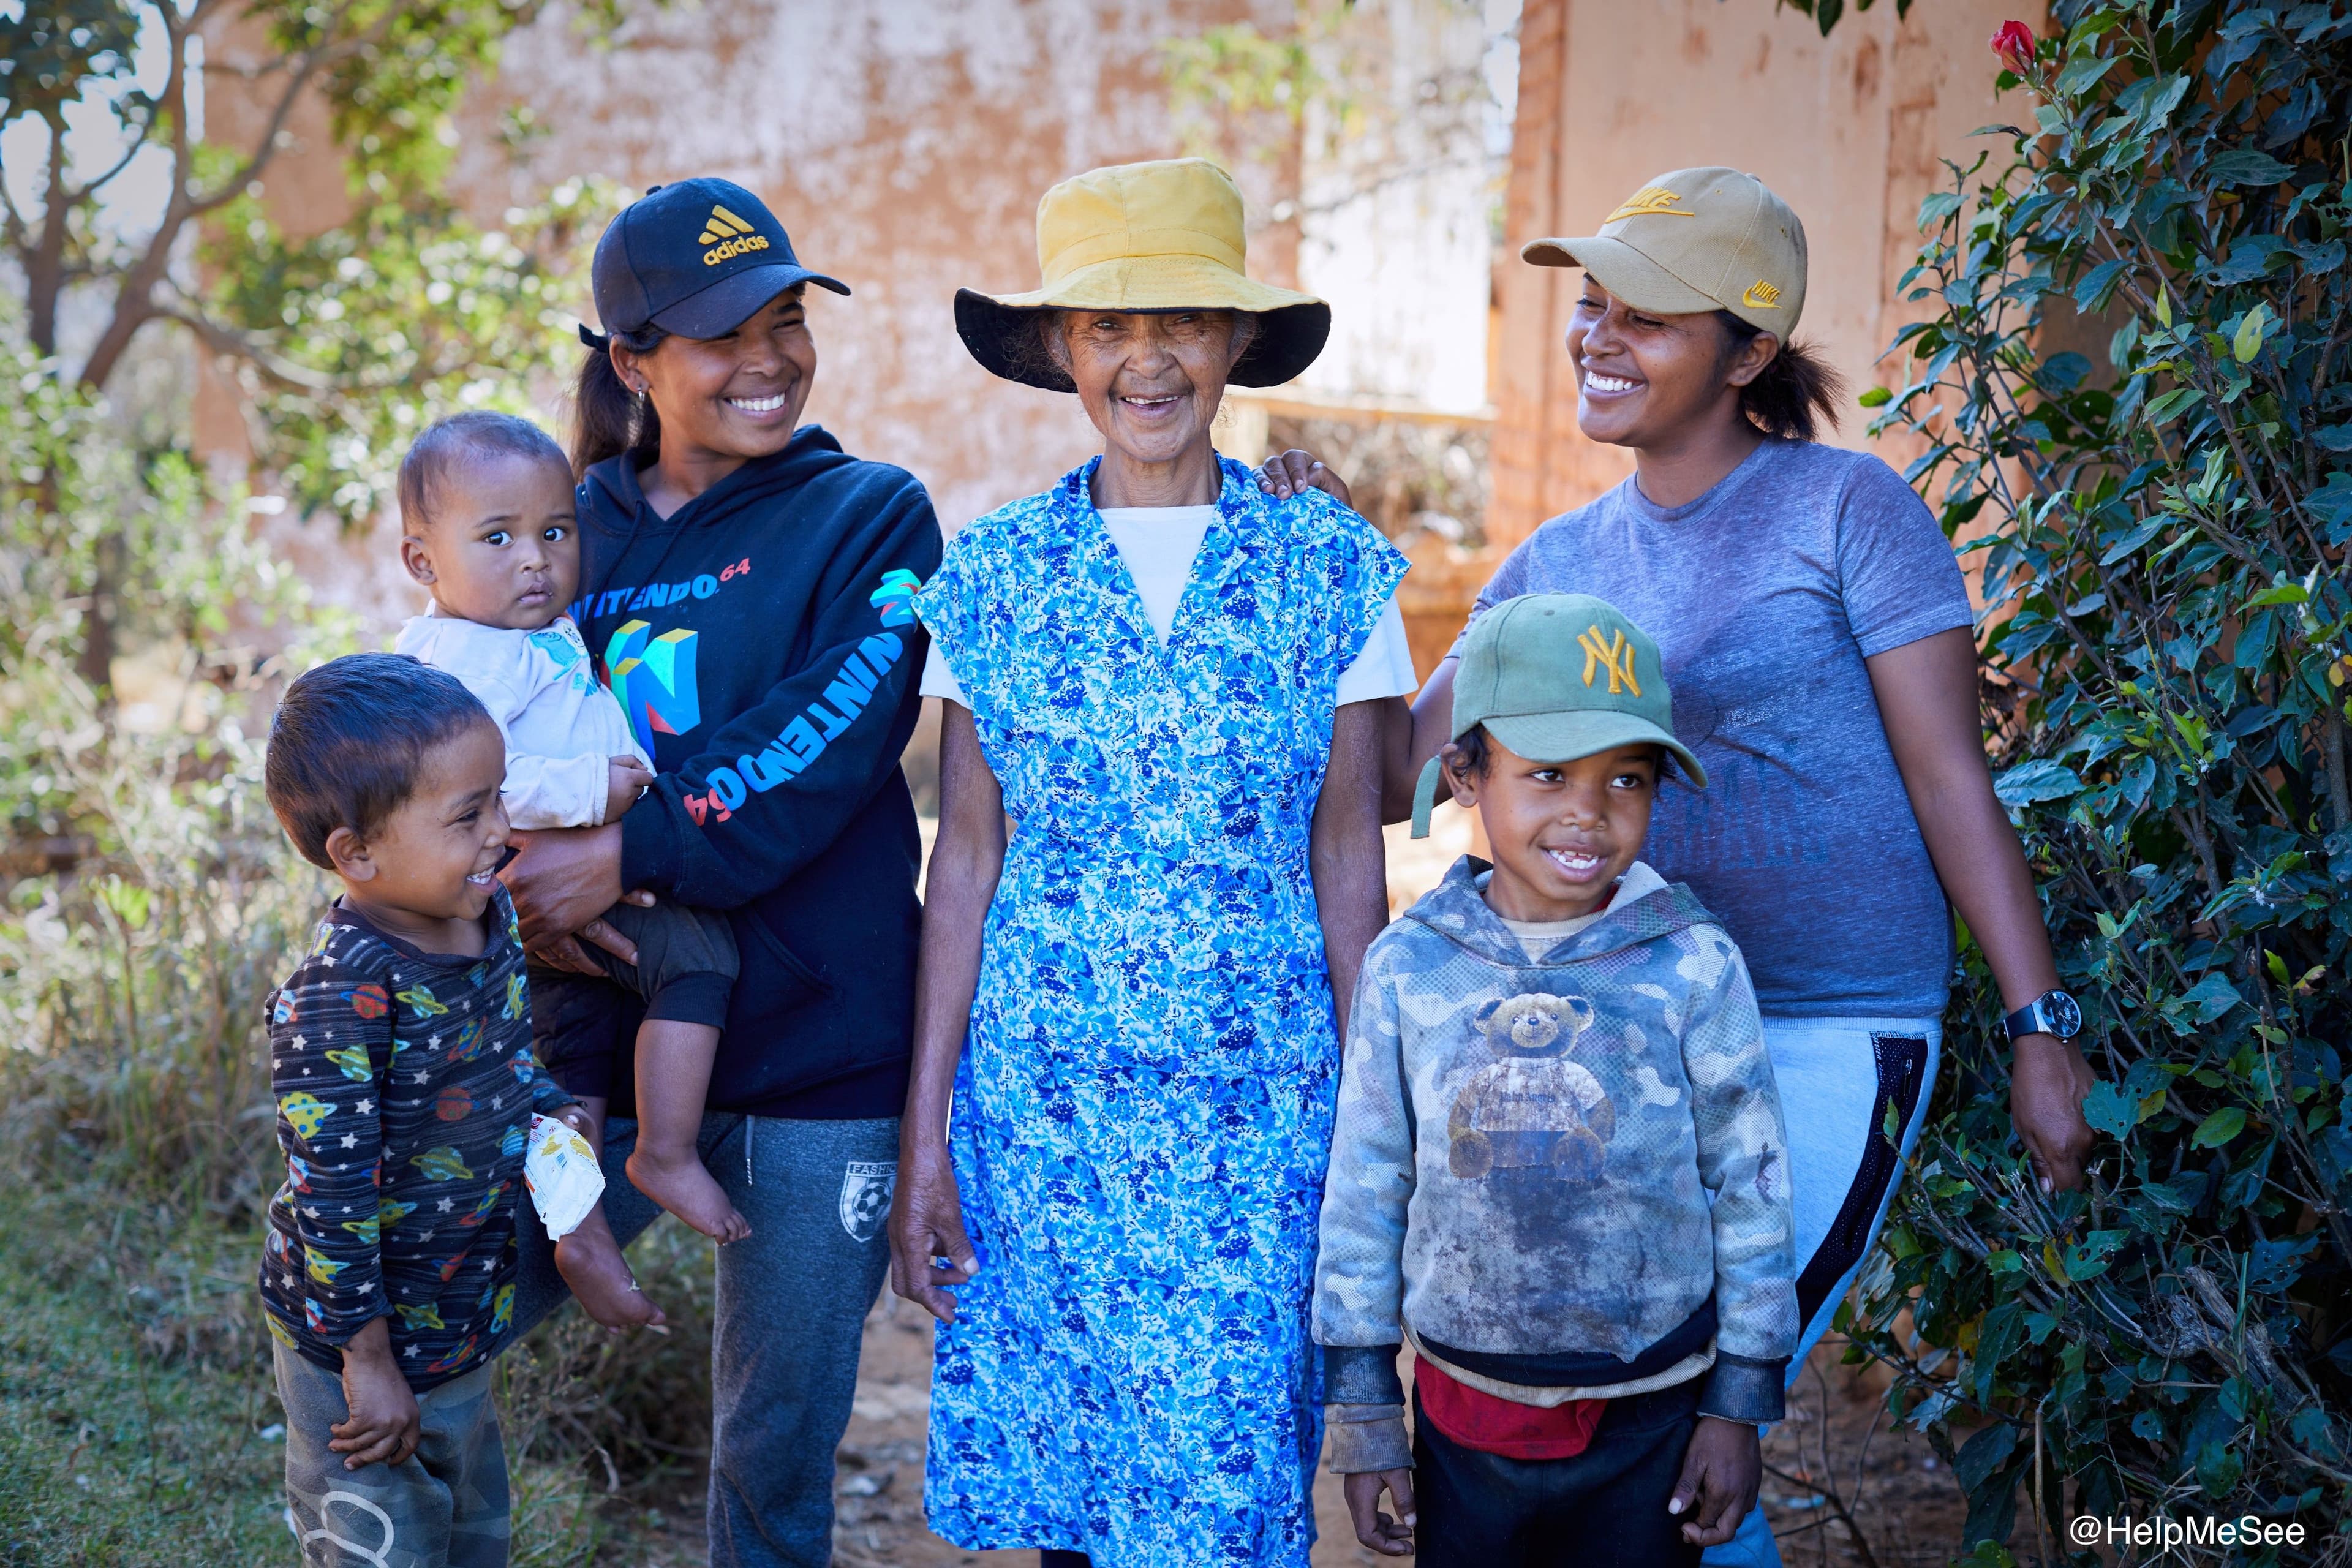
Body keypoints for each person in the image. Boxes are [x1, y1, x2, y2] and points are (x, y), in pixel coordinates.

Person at [1267, 165, 2098, 1568]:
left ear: (1752, 349)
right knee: (1652, 1426)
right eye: (1592, 307)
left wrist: (2036, 1024)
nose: (1598, 336)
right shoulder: (1553, 563)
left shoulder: (1849, 510)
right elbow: (1406, 770)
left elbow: (1952, 777)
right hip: (1621, 1029)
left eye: (1648, 317)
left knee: (1705, 1402)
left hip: (1836, 1019)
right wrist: (1340, 569)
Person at [886, 157, 1415, 1567]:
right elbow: (968, 860)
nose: (1148, 358)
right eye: (1111, 328)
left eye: (1182, 319)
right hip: (1045, 1113)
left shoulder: (1327, 564)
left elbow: (1347, 863)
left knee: (1233, 1493)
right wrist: (926, 1133)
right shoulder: (995, 574)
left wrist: (1379, 1127)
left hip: (1259, 1115)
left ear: (1237, 342)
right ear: (1062, 352)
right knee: (1073, 1486)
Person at [498, 177, 943, 1567]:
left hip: (822, 1058)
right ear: (631, 362)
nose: (768, 357)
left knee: (772, 1454)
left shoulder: (873, 516)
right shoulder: (559, 533)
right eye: (719, 334)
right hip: (599, 1037)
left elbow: (827, 736)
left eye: (788, 317)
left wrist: (624, 851)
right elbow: (468, 715)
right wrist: (512, 884)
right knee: (432, 1307)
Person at [1314, 595, 1795, 1567]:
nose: (1589, 811)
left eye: (1627, 778)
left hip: (1652, 1416)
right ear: (1464, 775)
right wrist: (1367, 1410)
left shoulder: (1692, 966)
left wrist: (1739, 1400)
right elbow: (1366, 1186)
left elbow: (1752, 1187)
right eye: (1546, 775)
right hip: (1462, 1416)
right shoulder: (1413, 970)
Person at [258, 653, 659, 1568]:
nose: (504, 833)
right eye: (468, 815)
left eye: (500, 799)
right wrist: (365, 1362)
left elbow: (509, 1056)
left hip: (458, 1313)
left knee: (472, 1530)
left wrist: (555, 1112)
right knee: (378, 1538)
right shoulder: (338, 998)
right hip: (354, 1343)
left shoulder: (488, 923)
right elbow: (333, 1199)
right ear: (356, 853)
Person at [391, 410, 748, 1246]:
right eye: (497, 538)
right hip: (541, 870)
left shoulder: (528, 634)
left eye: (554, 532)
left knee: (577, 1042)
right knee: (701, 959)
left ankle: (574, 1222)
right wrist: (595, 789)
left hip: (558, 882)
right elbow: (470, 780)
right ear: (422, 560)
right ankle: (665, 1151)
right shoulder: (463, 659)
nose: (534, 558)